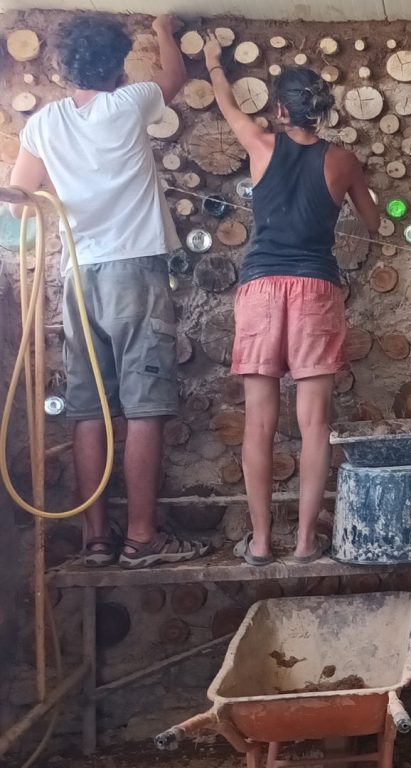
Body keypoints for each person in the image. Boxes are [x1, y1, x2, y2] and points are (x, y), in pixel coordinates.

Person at [10, 14, 210, 569]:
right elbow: (173, 75)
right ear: (118, 65)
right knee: (144, 406)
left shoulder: (44, 124)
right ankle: (143, 538)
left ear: (59, 66)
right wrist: (165, 28)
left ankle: (98, 539)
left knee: (88, 408)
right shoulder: (129, 103)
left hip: (78, 274)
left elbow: (20, 193)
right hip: (134, 270)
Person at [204, 38, 379, 565]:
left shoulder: (260, 143)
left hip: (259, 290)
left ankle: (260, 542)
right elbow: (373, 223)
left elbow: (226, 103)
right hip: (316, 291)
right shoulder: (342, 159)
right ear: (320, 111)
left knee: (258, 423)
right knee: (314, 425)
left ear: (281, 110)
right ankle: (305, 542)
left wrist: (214, 61)